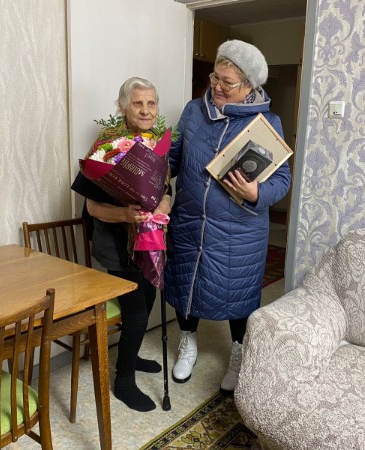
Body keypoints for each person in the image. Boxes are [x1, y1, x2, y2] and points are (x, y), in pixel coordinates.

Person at [164, 40, 291, 392]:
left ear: (249, 86)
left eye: (227, 82)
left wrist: (256, 194)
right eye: (214, 78)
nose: (217, 87)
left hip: (240, 230)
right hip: (189, 221)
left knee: (238, 294)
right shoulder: (194, 111)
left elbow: (282, 179)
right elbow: (173, 156)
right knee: (187, 285)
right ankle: (188, 342)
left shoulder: (268, 122)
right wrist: (153, 179)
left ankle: (238, 352)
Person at [71, 77, 171, 412]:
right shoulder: (107, 146)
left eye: (151, 103)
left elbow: (167, 191)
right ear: (123, 107)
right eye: (137, 103)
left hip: (149, 241)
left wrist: (162, 207)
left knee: (149, 298)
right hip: (117, 245)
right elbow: (92, 207)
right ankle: (124, 380)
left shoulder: (157, 142)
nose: (145, 110)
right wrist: (126, 215)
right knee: (137, 313)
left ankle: (133, 355)